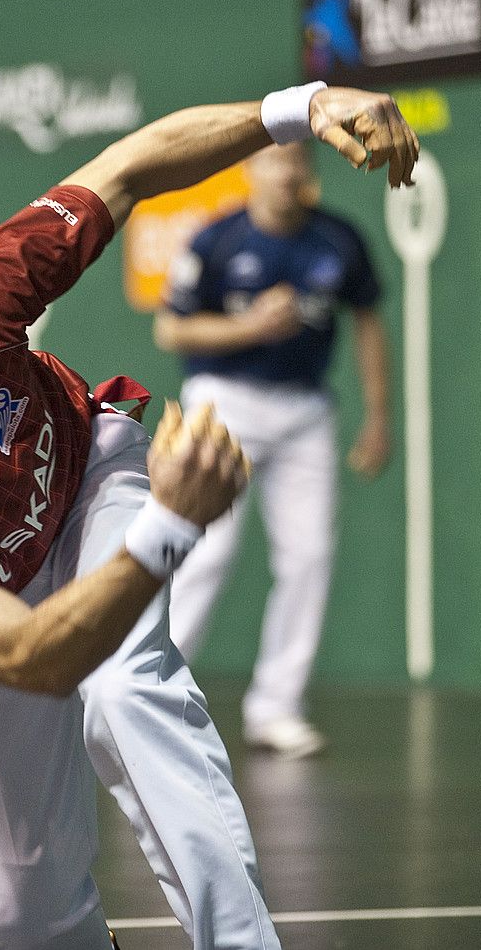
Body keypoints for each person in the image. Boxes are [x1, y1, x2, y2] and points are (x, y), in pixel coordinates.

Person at [0, 83, 418, 950]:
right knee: (25, 916)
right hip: (2, 617)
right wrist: (173, 526)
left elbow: (126, 168)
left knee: (126, 693)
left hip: (88, 483)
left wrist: (303, 106)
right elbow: (32, 656)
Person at [153, 142, 391, 758]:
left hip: (307, 410)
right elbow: (172, 328)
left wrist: (380, 416)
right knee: (206, 553)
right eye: (276, 163)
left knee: (309, 556)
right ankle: (152, 698)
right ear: (250, 170)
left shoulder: (340, 240)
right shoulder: (214, 242)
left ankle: (277, 708)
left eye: (299, 164)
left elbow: (367, 322)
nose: (289, 174)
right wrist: (249, 328)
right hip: (224, 401)